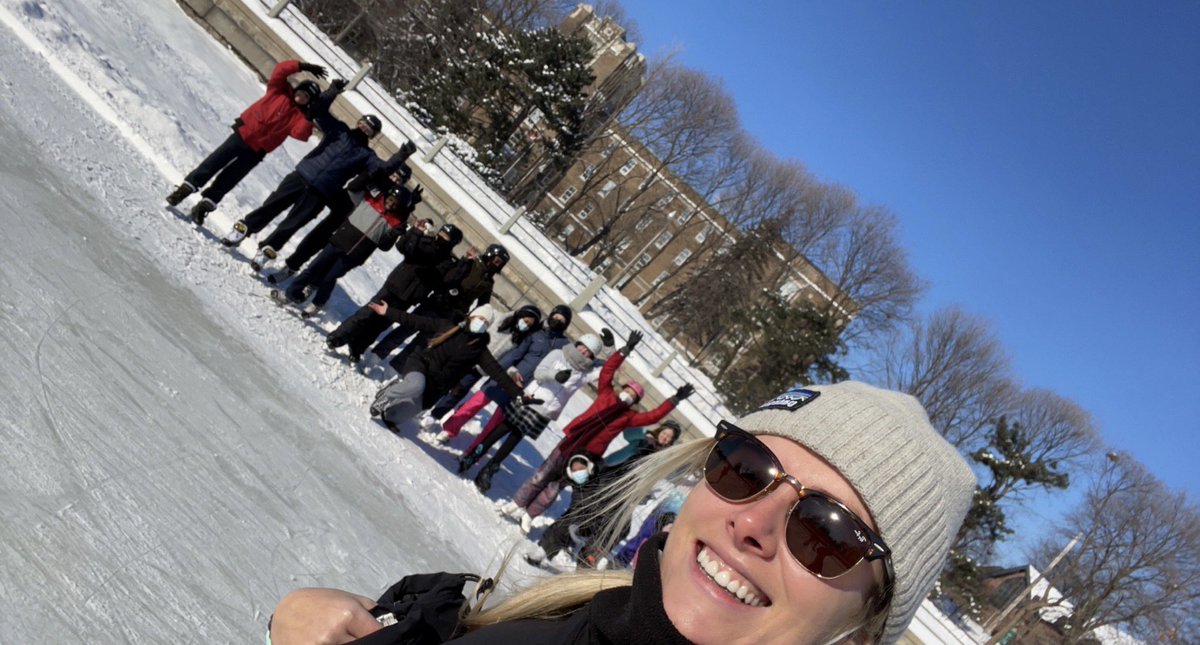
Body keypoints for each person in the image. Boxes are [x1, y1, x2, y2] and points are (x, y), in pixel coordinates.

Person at [268, 381, 976, 644]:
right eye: (745, 468)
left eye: (825, 533)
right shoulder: (527, 619)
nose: (753, 523)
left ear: (863, 627)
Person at [502, 330, 694, 533]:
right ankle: (516, 503)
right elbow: (607, 371)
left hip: (588, 455)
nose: (628, 396)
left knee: (556, 487)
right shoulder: (606, 393)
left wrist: (674, 400)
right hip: (573, 440)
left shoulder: (628, 417)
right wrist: (624, 350)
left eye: (633, 397)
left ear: (635, 402)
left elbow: (653, 416)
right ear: (622, 389)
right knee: (542, 475)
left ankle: (529, 515)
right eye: (627, 391)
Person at [220, 78, 413, 270]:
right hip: (302, 175)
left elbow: (384, 169)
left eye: (369, 129)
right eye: (363, 124)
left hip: (321, 192)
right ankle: (244, 229)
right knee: (272, 205)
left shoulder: (367, 155)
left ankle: (268, 249)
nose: (364, 128)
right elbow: (318, 111)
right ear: (358, 122)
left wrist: (401, 156)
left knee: (293, 223)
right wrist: (332, 92)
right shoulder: (340, 130)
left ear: (372, 135)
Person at [166, 59, 327, 224]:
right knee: (213, 163)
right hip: (243, 135)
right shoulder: (278, 91)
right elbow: (280, 70)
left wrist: (309, 116)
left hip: (257, 150)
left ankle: (203, 206)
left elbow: (299, 134)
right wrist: (301, 66)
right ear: (297, 90)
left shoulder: (300, 116)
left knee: (230, 178)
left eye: (307, 97)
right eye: (302, 92)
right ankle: (184, 190)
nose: (302, 97)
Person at [458, 336, 607, 493]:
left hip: (546, 410)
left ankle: (488, 470)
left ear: (591, 357)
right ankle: (474, 455)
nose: (583, 352)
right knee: (502, 428)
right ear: (578, 343)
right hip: (531, 399)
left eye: (589, 353)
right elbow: (539, 373)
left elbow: (605, 370)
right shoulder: (558, 354)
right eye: (583, 346)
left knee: (515, 438)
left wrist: (614, 351)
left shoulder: (584, 372)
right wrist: (555, 375)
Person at [430, 306, 592, 445]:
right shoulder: (535, 332)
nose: (558, 320)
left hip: (526, 387)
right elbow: (515, 352)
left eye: (562, 320)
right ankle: (449, 430)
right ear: (550, 315)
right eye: (556, 316)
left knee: (496, 421)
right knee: (474, 403)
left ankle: (475, 449)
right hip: (507, 375)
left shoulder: (564, 345)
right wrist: (506, 370)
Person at [365, 302, 526, 432]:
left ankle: (393, 405)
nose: (481, 324)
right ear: (472, 316)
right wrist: (388, 311)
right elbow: (416, 320)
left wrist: (517, 394)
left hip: (437, 386)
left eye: (485, 323)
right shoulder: (447, 325)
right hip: (421, 366)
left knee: (396, 416)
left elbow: (497, 372)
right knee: (416, 385)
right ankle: (387, 394)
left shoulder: (479, 349)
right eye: (480, 319)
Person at [270, 184, 423, 316]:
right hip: (338, 241)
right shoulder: (371, 200)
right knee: (313, 268)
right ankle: (290, 294)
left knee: (329, 277)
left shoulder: (395, 222)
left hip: (355, 255)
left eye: (395, 204)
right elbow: (361, 185)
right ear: (386, 196)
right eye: (390, 200)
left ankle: (319, 302)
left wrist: (394, 232)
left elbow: (384, 246)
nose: (391, 204)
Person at [325, 222, 462, 363]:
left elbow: (436, 277)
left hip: (410, 295)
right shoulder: (425, 241)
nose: (441, 237)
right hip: (395, 284)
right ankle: (338, 337)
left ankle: (357, 347)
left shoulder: (449, 262)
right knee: (367, 312)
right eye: (441, 233)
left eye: (446, 237)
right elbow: (403, 247)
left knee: (381, 324)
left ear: (452, 242)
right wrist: (415, 232)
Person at [373, 244, 511, 372]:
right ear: (490, 255)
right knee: (407, 328)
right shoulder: (471, 263)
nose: (497, 265)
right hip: (437, 303)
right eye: (497, 260)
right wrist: (464, 261)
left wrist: (473, 319)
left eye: (501, 264)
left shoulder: (488, 282)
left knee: (422, 342)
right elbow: (451, 276)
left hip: (451, 315)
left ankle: (396, 366)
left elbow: (483, 305)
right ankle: (378, 355)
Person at [420, 304, 547, 436]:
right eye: (525, 321)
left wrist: (512, 371)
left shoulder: (519, 338)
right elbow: (487, 309)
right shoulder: (499, 318)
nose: (525, 325)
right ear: (520, 314)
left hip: (481, 368)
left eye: (529, 325)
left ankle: (434, 416)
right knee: (443, 382)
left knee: (458, 391)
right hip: (465, 356)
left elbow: (510, 359)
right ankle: (422, 405)